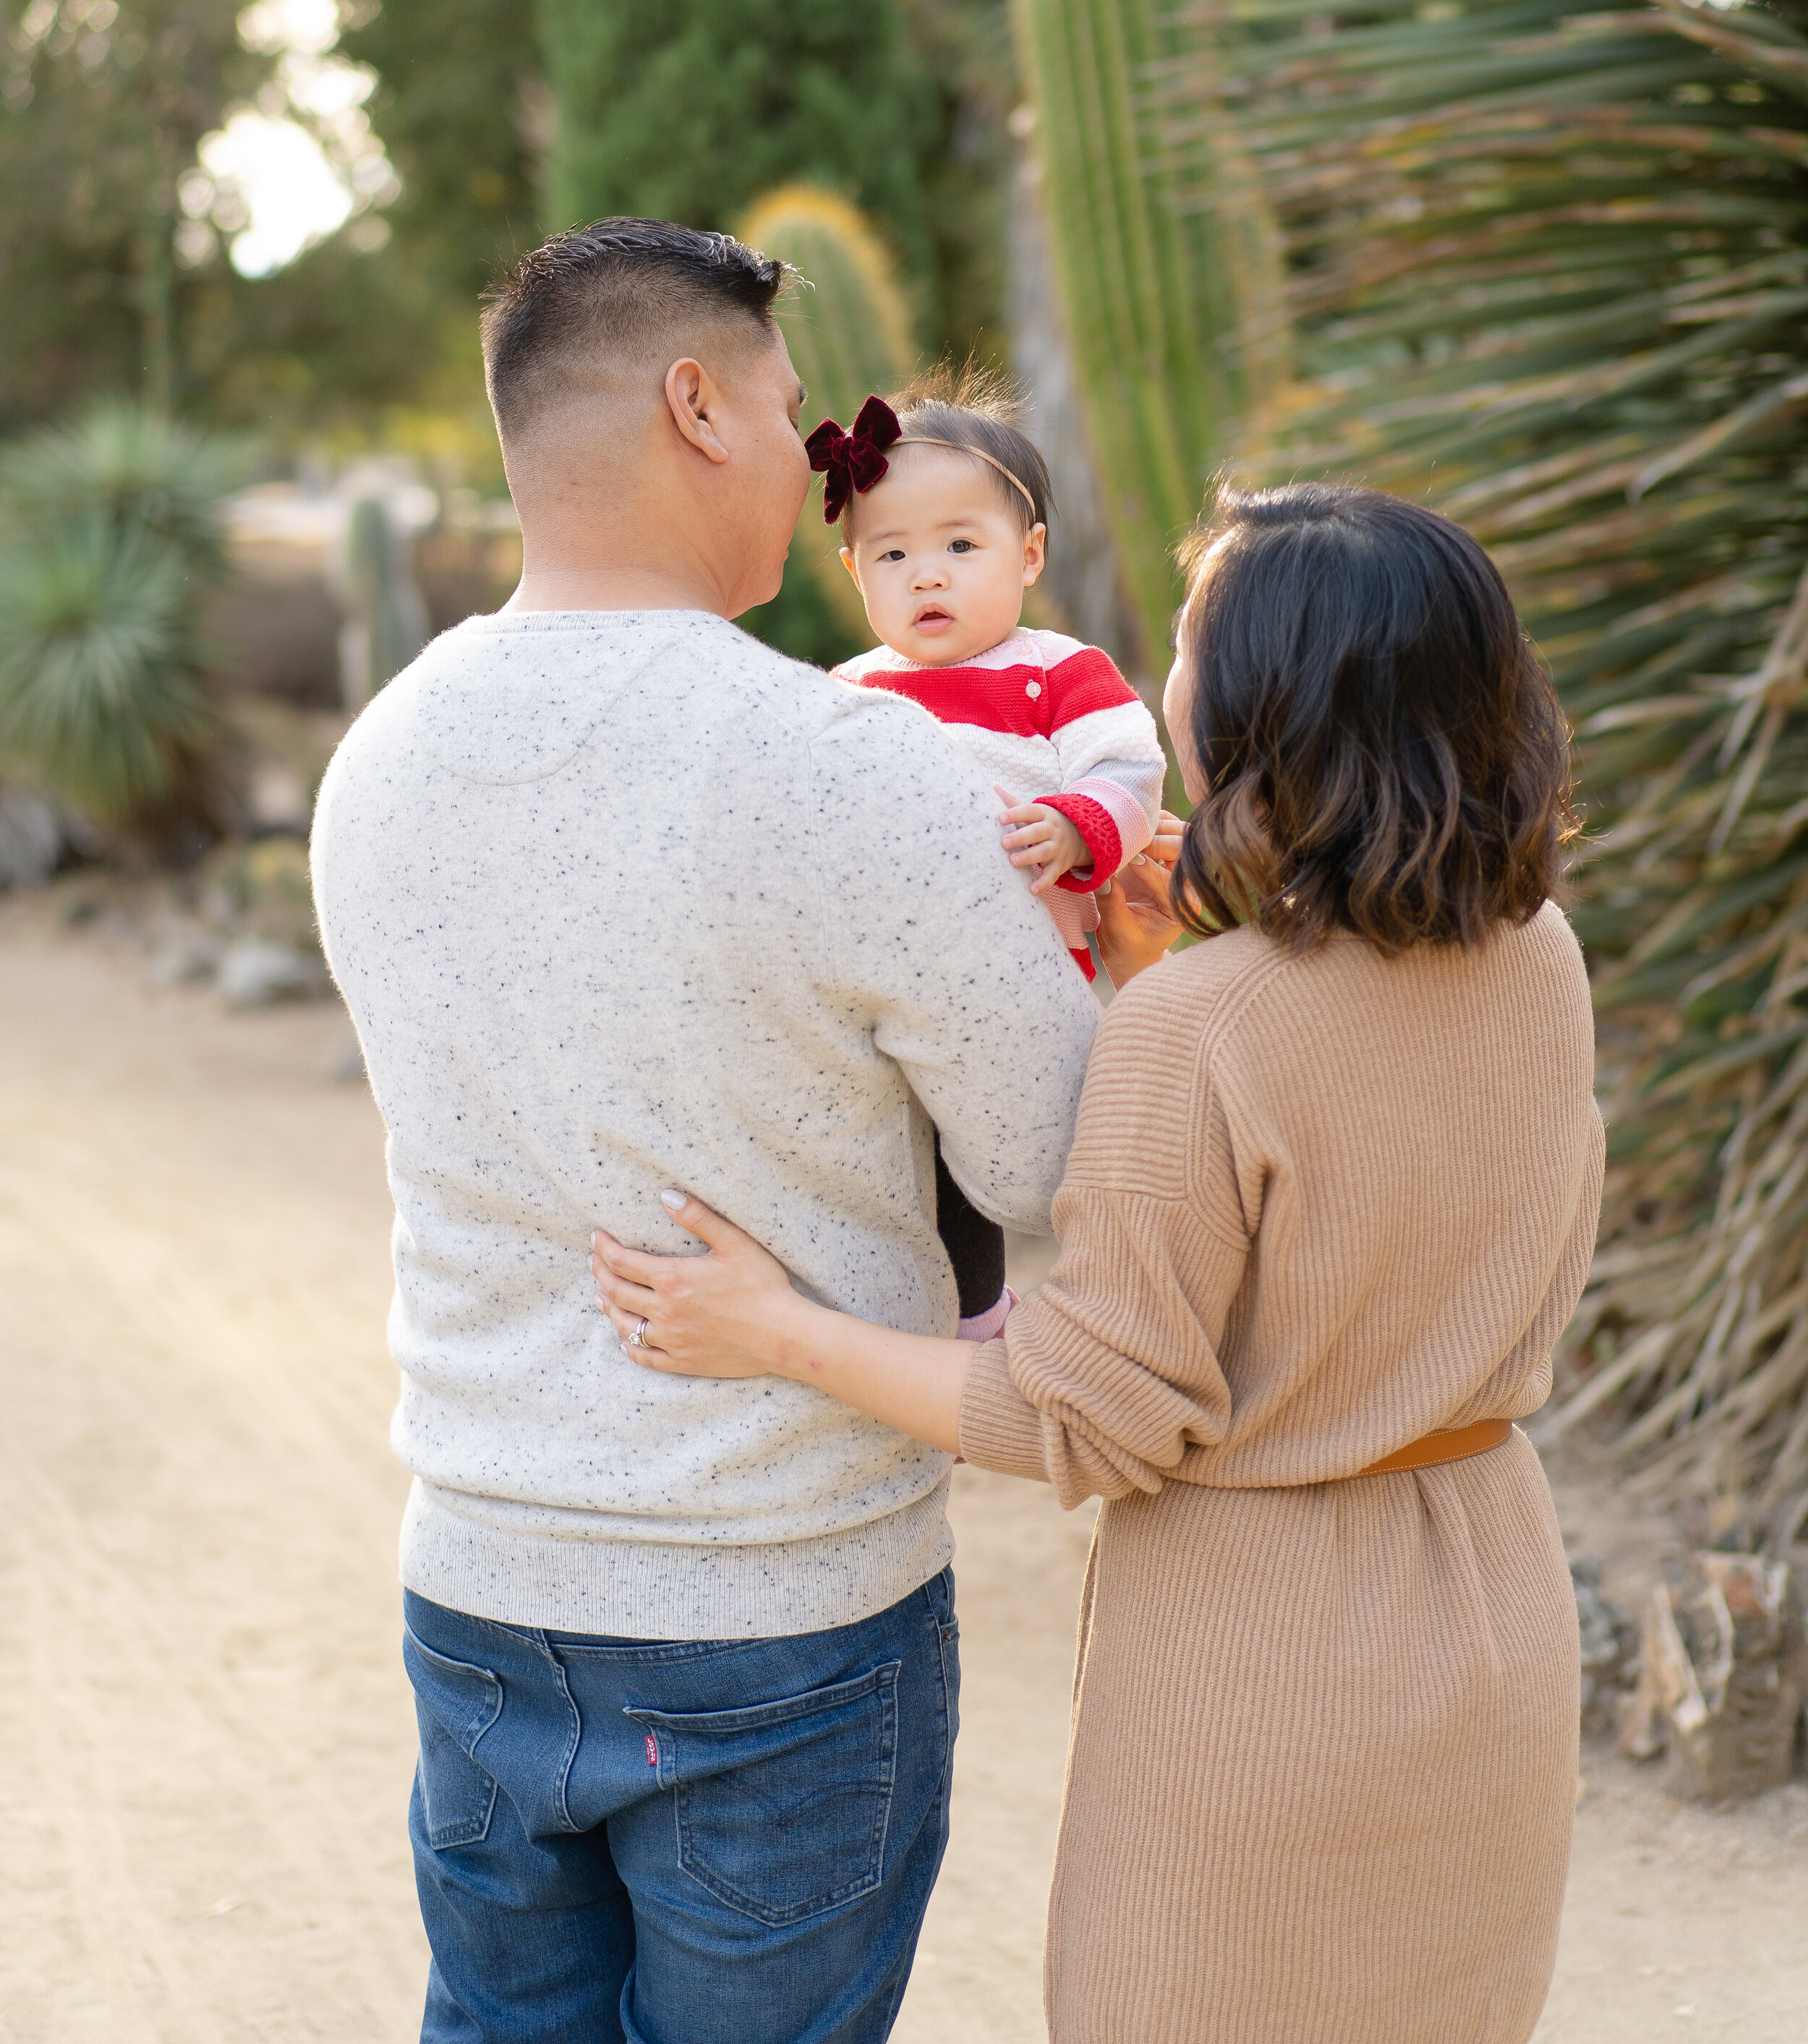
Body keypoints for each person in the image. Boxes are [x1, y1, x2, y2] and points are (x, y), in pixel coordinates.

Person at [592, 481, 1607, 2044]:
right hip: (1488, 1610)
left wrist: (774, 1330)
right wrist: (1166, 974)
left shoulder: (1194, 1037)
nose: (1164, 680)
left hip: (1261, 1663)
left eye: (1188, 643)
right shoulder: (1539, 956)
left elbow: (1084, 1414)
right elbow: (1371, 1169)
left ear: (1260, 702)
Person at [310, 218, 1103, 2044]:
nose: (828, 472)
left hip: (480, 1587)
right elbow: (1044, 1158)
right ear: (695, 405)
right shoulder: (849, 765)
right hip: (782, 1607)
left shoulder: (380, 756)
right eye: (796, 415)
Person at [808, 373, 1165, 1334]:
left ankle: (998, 1320)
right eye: (893, 553)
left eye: (961, 546)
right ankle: (916, 1322)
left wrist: (1077, 824)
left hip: (1021, 973)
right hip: (881, 976)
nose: (928, 574)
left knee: (1007, 1160)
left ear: (1029, 553)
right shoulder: (847, 692)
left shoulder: (1056, 671)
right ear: (856, 573)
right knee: (894, 1154)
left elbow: (1131, 769)